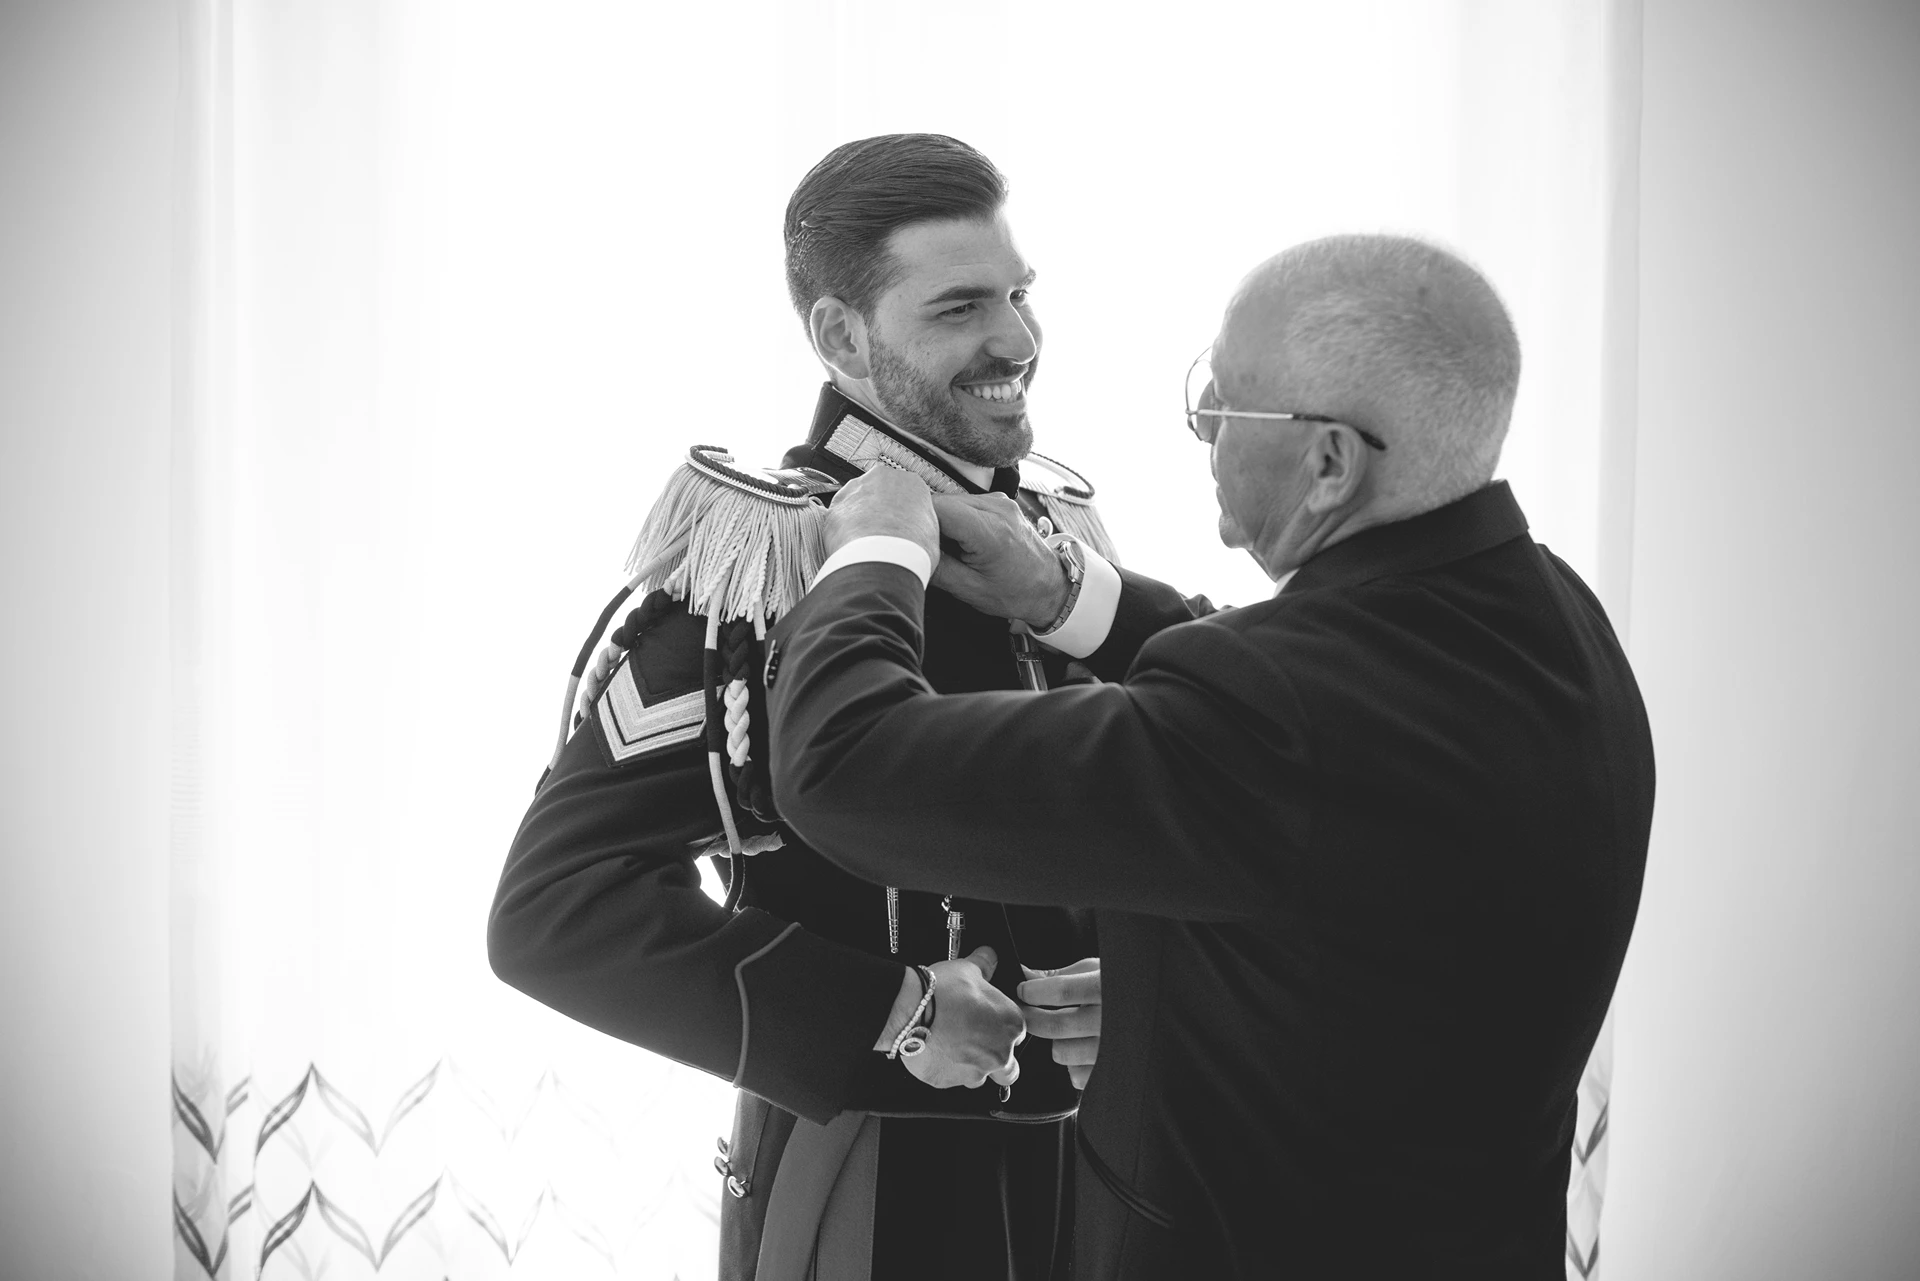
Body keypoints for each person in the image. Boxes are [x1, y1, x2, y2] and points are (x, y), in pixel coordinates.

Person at [765, 234, 1657, 1278]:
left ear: (1330, 463)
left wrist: (878, 551)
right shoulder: (1551, 610)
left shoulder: (1279, 718)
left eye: (1224, 405)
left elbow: (844, 766)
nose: (1202, 430)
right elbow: (1320, 736)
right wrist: (1062, 593)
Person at [488, 133, 1175, 1281]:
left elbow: (1166, 818)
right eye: (960, 307)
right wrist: (893, 1011)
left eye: (1019, 294)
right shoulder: (761, 564)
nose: (1017, 340)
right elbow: (556, 913)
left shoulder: (1064, 547)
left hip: (1108, 1171)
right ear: (842, 337)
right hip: (872, 1177)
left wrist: (1146, 989)